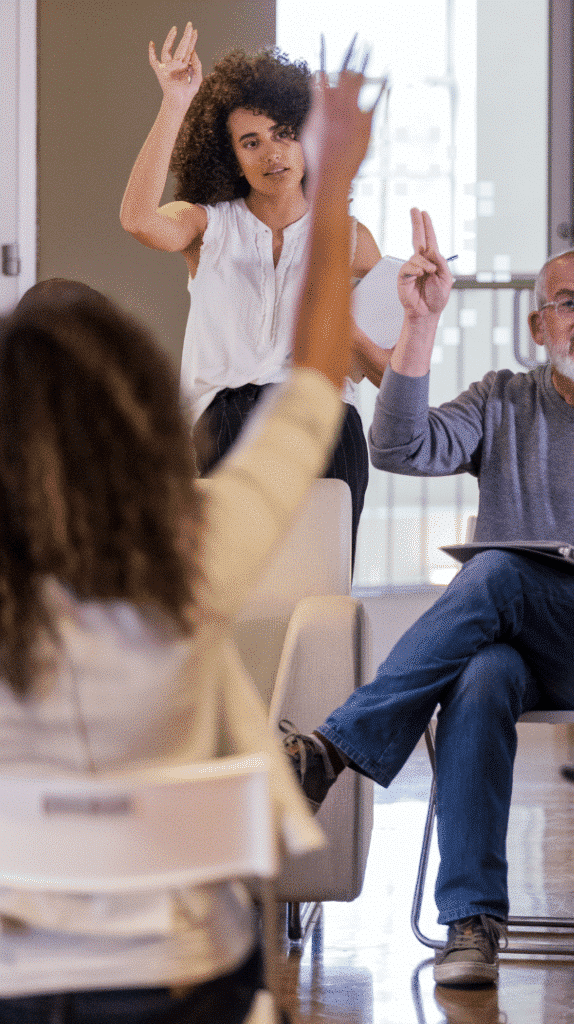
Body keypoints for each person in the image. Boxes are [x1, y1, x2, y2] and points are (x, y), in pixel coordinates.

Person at [0, 66, 375, 1023]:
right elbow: (315, 383)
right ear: (138, 408)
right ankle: (296, 748)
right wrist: (335, 186)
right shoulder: (197, 551)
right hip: (179, 984)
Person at [281, 233, 574, 987]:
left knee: (496, 568)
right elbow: (400, 448)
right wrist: (419, 327)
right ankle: (473, 924)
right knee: (482, 675)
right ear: (538, 328)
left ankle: (332, 749)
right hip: (520, 647)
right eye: (567, 303)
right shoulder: (503, 399)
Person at [120, 22, 389, 546]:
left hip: (325, 425)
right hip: (223, 425)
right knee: (223, 592)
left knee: (319, 590)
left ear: (306, 136)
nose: (272, 154)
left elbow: (383, 372)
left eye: (284, 133)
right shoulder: (206, 225)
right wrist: (175, 102)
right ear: (232, 158)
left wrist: (368, 324)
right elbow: (137, 220)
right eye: (251, 141)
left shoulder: (350, 238)